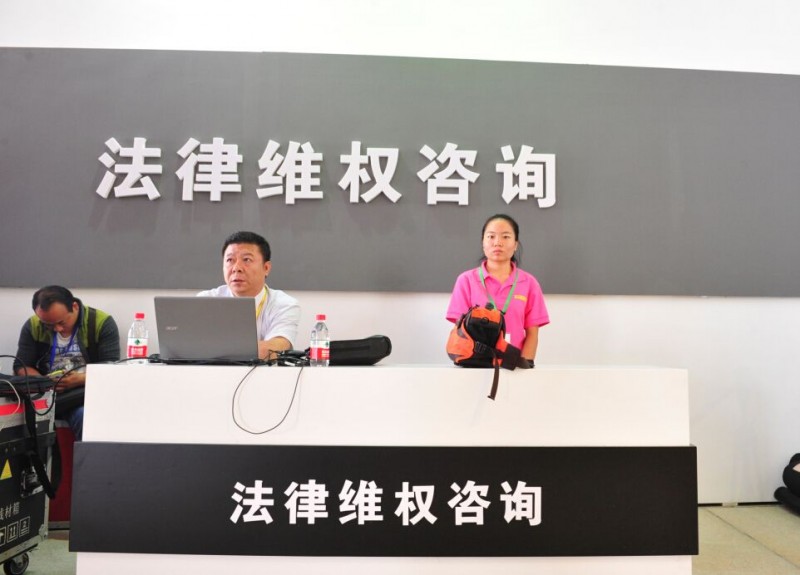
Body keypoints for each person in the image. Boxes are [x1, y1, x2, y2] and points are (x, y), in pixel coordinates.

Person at [14, 285, 120, 440]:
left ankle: (89, 456)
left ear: (74, 307)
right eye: (48, 324)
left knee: (86, 418)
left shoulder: (101, 323)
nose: (57, 329)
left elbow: (111, 369)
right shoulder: (33, 325)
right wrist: (43, 382)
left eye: (61, 322)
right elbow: (21, 366)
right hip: (45, 394)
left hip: (82, 395)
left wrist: (79, 379)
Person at [446, 214, 549, 364]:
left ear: (515, 244)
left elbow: (532, 334)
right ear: (483, 242)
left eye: (505, 237)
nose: (497, 242)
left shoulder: (529, 283)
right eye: (491, 236)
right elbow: (459, 330)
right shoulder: (466, 280)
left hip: (514, 366)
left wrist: (524, 366)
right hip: (474, 365)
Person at [198, 231, 300, 361]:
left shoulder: (284, 304)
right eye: (230, 260)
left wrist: (215, 349)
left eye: (246, 260)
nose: (236, 268)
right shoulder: (206, 300)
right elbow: (189, 346)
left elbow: (275, 350)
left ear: (266, 268)